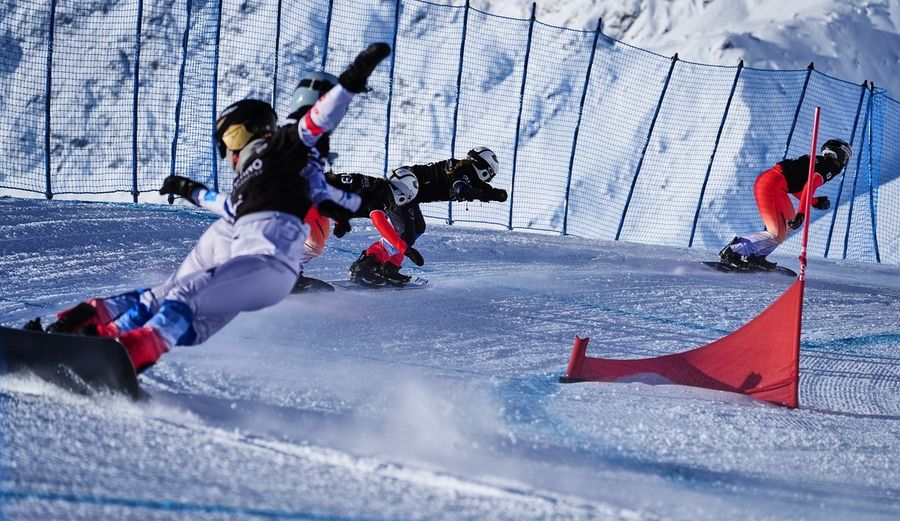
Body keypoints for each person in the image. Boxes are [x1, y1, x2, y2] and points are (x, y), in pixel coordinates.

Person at [35, 43, 392, 374]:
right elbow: (222, 204)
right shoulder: (254, 176)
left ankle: (124, 354)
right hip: (247, 257)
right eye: (226, 145)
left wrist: (348, 82)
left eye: (235, 138)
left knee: (184, 294)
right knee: (164, 296)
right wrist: (190, 189)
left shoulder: (284, 147)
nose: (232, 153)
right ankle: (88, 331)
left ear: (260, 132)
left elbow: (316, 120)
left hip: (268, 263)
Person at [348, 147, 508, 285]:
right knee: (405, 233)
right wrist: (488, 195)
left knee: (417, 228)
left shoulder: (467, 170)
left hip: (408, 190)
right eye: (489, 175)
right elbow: (461, 189)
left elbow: (477, 188)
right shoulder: (466, 172)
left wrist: (494, 194)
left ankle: (389, 267)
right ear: (484, 169)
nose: (487, 180)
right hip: (401, 189)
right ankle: (366, 265)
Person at [719, 138, 852, 270]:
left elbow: (798, 188)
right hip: (771, 185)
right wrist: (802, 213)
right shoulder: (827, 167)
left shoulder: (819, 162)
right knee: (776, 234)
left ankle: (756, 256)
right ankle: (733, 251)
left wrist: (815, 201)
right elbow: (808, 188)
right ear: (838, 155)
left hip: (774, 184)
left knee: (789, 225)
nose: (844, 162)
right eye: (845, 158)